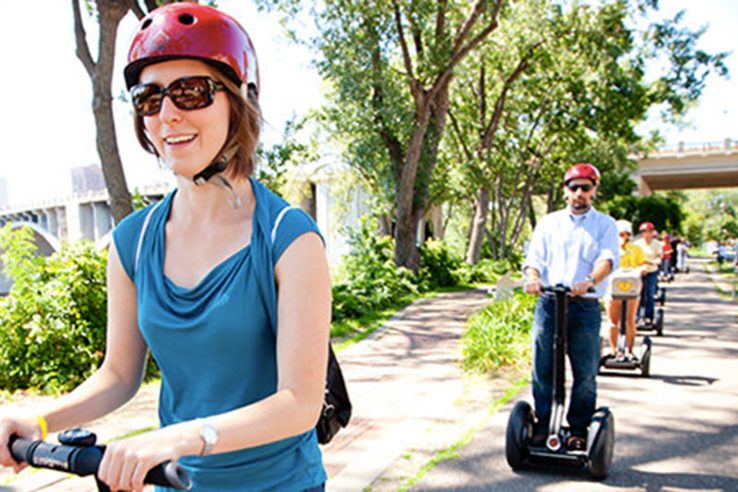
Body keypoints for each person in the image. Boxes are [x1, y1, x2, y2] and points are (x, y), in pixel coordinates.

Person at [0, 4, 330, 491]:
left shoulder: (288, 237)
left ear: (240, 100)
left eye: (191, 93)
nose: (167, 114)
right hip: (175, 482)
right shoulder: (132, 243)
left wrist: (180, 438)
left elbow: (299, 403)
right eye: (149, 99)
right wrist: (40, 421)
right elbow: (118, 373)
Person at [523, 163, 619, 451]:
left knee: (585, 373)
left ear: (594, 191)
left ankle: (578, 428)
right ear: (565, 190)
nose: (579, 193)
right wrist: (532, 276)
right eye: (573, 187)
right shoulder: (549, 222)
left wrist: (589, 281)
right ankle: (544, 425)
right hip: (550, 303)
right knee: (542, 369)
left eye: (585, 188)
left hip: (585, 306)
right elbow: (534, 257)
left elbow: (608, 258)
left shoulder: (605, 224)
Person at [605, 220, 648, 360]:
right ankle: (613, 350)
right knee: (612, 321)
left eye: (625, 234)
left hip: (631, 287)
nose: (622, 237)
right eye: (619, 234)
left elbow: (643, 264)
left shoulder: (635, 249)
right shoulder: (609, 249)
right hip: (612, 287)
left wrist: (641, 270)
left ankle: (629, 350)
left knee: (630, 320)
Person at [633, 221, 662, 325]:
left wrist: (652, 262)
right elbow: (634, 259)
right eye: (644, 231)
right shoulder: (637, 244)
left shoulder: (657, 244)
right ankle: (636, 317)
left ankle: (648, 317)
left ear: (652, 232)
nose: (646, 233)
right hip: (639, 272)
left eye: (649, 231)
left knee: (649, 294)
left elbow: (659, 258)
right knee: (637, 294)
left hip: (651, 271)